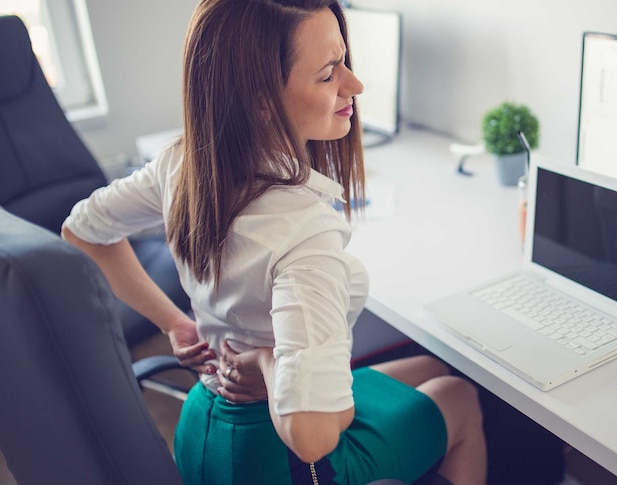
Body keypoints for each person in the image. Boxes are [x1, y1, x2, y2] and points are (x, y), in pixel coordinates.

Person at [61, 1, 487, 484]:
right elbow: (312, 437)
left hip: (202, 422)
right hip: (273, 456)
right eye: (329, 75)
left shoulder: (185, 162)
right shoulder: (303, 237)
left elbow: (82, 230)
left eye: (344, 62)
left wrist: (177, 326)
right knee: (458, 396)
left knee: (429, 365)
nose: (355, 85)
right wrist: (266, 361)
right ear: (261, 100)